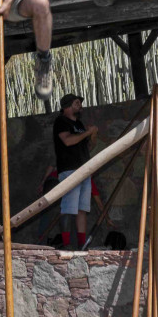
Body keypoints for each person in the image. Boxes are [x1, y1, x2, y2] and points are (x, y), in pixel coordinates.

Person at [54, 94, 97, 249]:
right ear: (67, 106)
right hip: (69, 169)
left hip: (84, 169)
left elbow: (88, 146)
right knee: (68, 208)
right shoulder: (61, 121)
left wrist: (92, 135)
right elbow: (68, 140)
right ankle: (66, 244)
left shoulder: (79, 123)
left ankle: (81, 245)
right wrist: (87, 133)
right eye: (76, 103)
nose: (80, 105)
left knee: (82, 209)